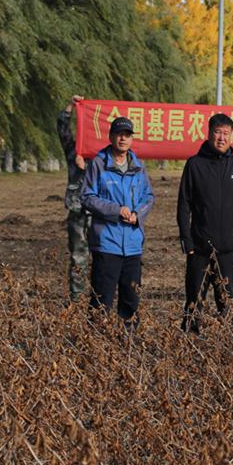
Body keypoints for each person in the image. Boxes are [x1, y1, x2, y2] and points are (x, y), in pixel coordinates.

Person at [177, 114, 233, 333]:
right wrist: (186, 241)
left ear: (231, 135)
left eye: (226, 133)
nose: (221, 138)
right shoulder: (194, 164)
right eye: (217, 132)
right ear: (209, 134)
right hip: (199, 247)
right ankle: (189, 344)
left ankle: (226, 347)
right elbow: (184, 204)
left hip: (228, 247)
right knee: (194, 300)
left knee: (227, 301)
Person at [81, 117, 154, 329]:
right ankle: (94, 346)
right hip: (107, 243)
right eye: (119, 134)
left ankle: (127, 348)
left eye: (127, 135)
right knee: (101, 300)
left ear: (132, 139)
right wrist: (115, 210)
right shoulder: (99, 164)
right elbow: (87, 197)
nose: (123, 138)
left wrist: (137, 214)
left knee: (131, 300)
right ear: (111, 136)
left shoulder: (139, 167)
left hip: (132, 245)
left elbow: (148, 197)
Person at [57, 94, 90, 302]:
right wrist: (71, 106)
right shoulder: (73, 150)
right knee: (78, 256)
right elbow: (62, 129)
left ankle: (100, 298)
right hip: (78, 210)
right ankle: (76, 298)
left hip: (102, 213)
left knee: (105, 258)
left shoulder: (106, 155)